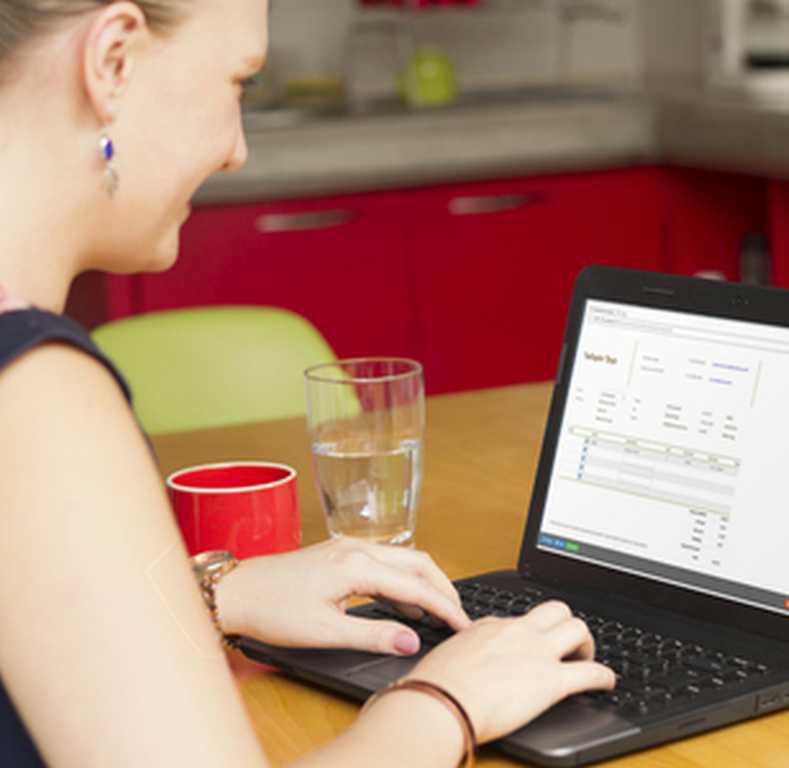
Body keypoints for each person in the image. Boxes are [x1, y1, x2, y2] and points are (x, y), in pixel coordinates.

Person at [0, 2, 615, 765]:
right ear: (114, 60)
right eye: (239, 83)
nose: (237, 150)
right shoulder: (32, 389)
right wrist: (448, 699)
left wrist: (216, 597)